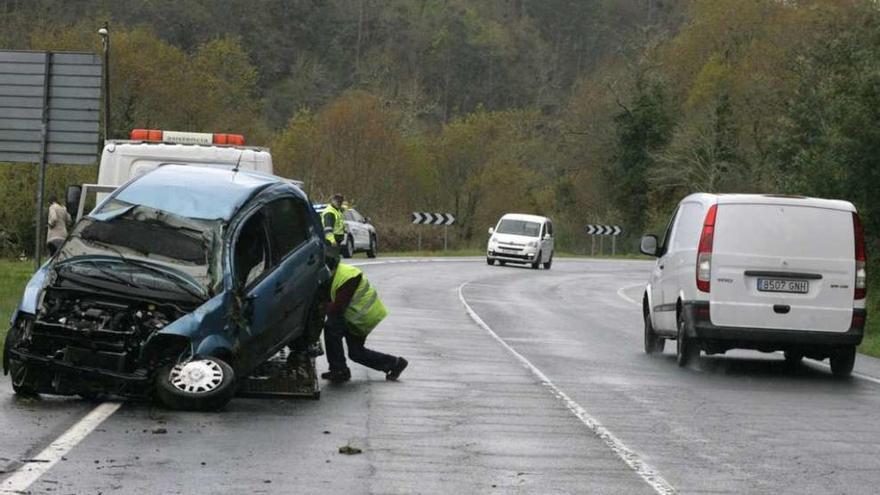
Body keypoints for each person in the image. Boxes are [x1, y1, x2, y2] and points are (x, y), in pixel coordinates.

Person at [321, 251, 408, 382]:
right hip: (357, 316)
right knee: (356, 353)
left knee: (331, 327)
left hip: (363, 317)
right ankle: (395, 363)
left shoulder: (347, 277)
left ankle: (339, 370)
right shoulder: (336, 276)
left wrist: (318, 308)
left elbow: (336, 307)